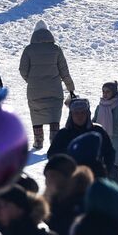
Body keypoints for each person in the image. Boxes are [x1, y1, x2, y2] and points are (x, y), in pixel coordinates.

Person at [20, 19, 76, 150]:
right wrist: (70, 87)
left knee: (36, 113)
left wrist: (31, 80)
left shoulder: (28, 50)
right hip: (54, 90)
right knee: (54, 115)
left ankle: (38, 141)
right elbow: (64, 71)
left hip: (35, 90)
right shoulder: (56, 49)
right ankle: (54, 141)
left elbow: (22, 70)